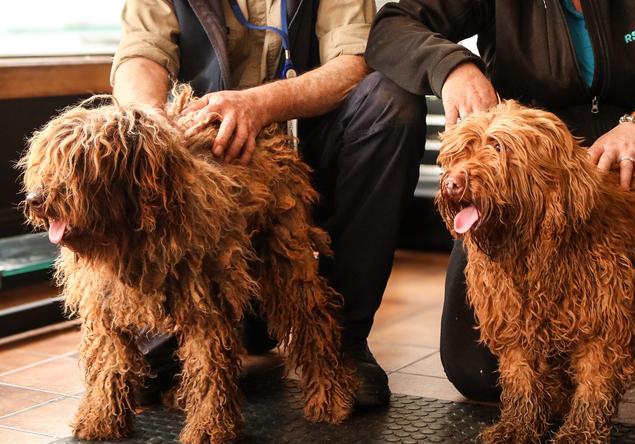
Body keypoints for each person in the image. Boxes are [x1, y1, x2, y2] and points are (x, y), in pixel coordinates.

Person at [110, 0, 427, 406]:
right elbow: (141, 51)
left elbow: (354, 61)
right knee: (144, 376)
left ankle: (340, 340)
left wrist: (260, 105)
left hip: (313, 160)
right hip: (206, 170)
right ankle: (234, 312)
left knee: (391, 102)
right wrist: (150, 126)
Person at [365, 0, 635, 401]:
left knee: (614, 322)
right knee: (479, 373)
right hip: (524, 182)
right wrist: (452, 66)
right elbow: (391, 26)